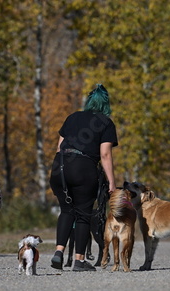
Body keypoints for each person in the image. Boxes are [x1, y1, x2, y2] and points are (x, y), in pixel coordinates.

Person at [49, 84, 118, 271]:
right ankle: (79, 260)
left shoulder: (72, 117)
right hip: (83, 168)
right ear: (106, 104)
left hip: (60, 167)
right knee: (83, 214)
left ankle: (58, 252)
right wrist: (111, 181)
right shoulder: (106, 122)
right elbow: (105, 154)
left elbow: (59, 147)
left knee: (66, 210)